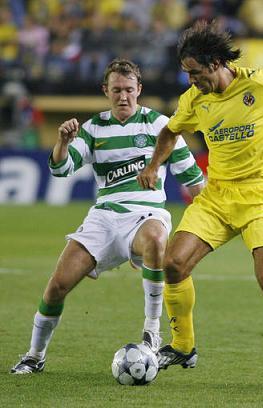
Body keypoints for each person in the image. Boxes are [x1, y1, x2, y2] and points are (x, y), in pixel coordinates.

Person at [137, 21, 263, 392]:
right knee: (173, 264)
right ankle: (183, 346)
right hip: (216, 196)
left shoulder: (259, 84)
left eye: (195, 73)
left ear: (215, 63)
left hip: (260, 195)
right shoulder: (194, 100)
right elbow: (170, 130)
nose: (191, 81)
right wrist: (153, 165)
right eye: (187, 74)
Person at [10, 59, 204, 375]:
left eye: (129, 89)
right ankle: (35, 355)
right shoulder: (94, 128)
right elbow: (60, 169)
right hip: (104, 219)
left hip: (147, 213)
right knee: (57, 286)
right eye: (116, 90)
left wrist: (208, 227)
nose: (123, 96)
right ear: (106, 91)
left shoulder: (160, 126)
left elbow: (194, 180)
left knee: (156, 237)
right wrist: (62, 142)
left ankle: (151, 331)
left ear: (139, 89)